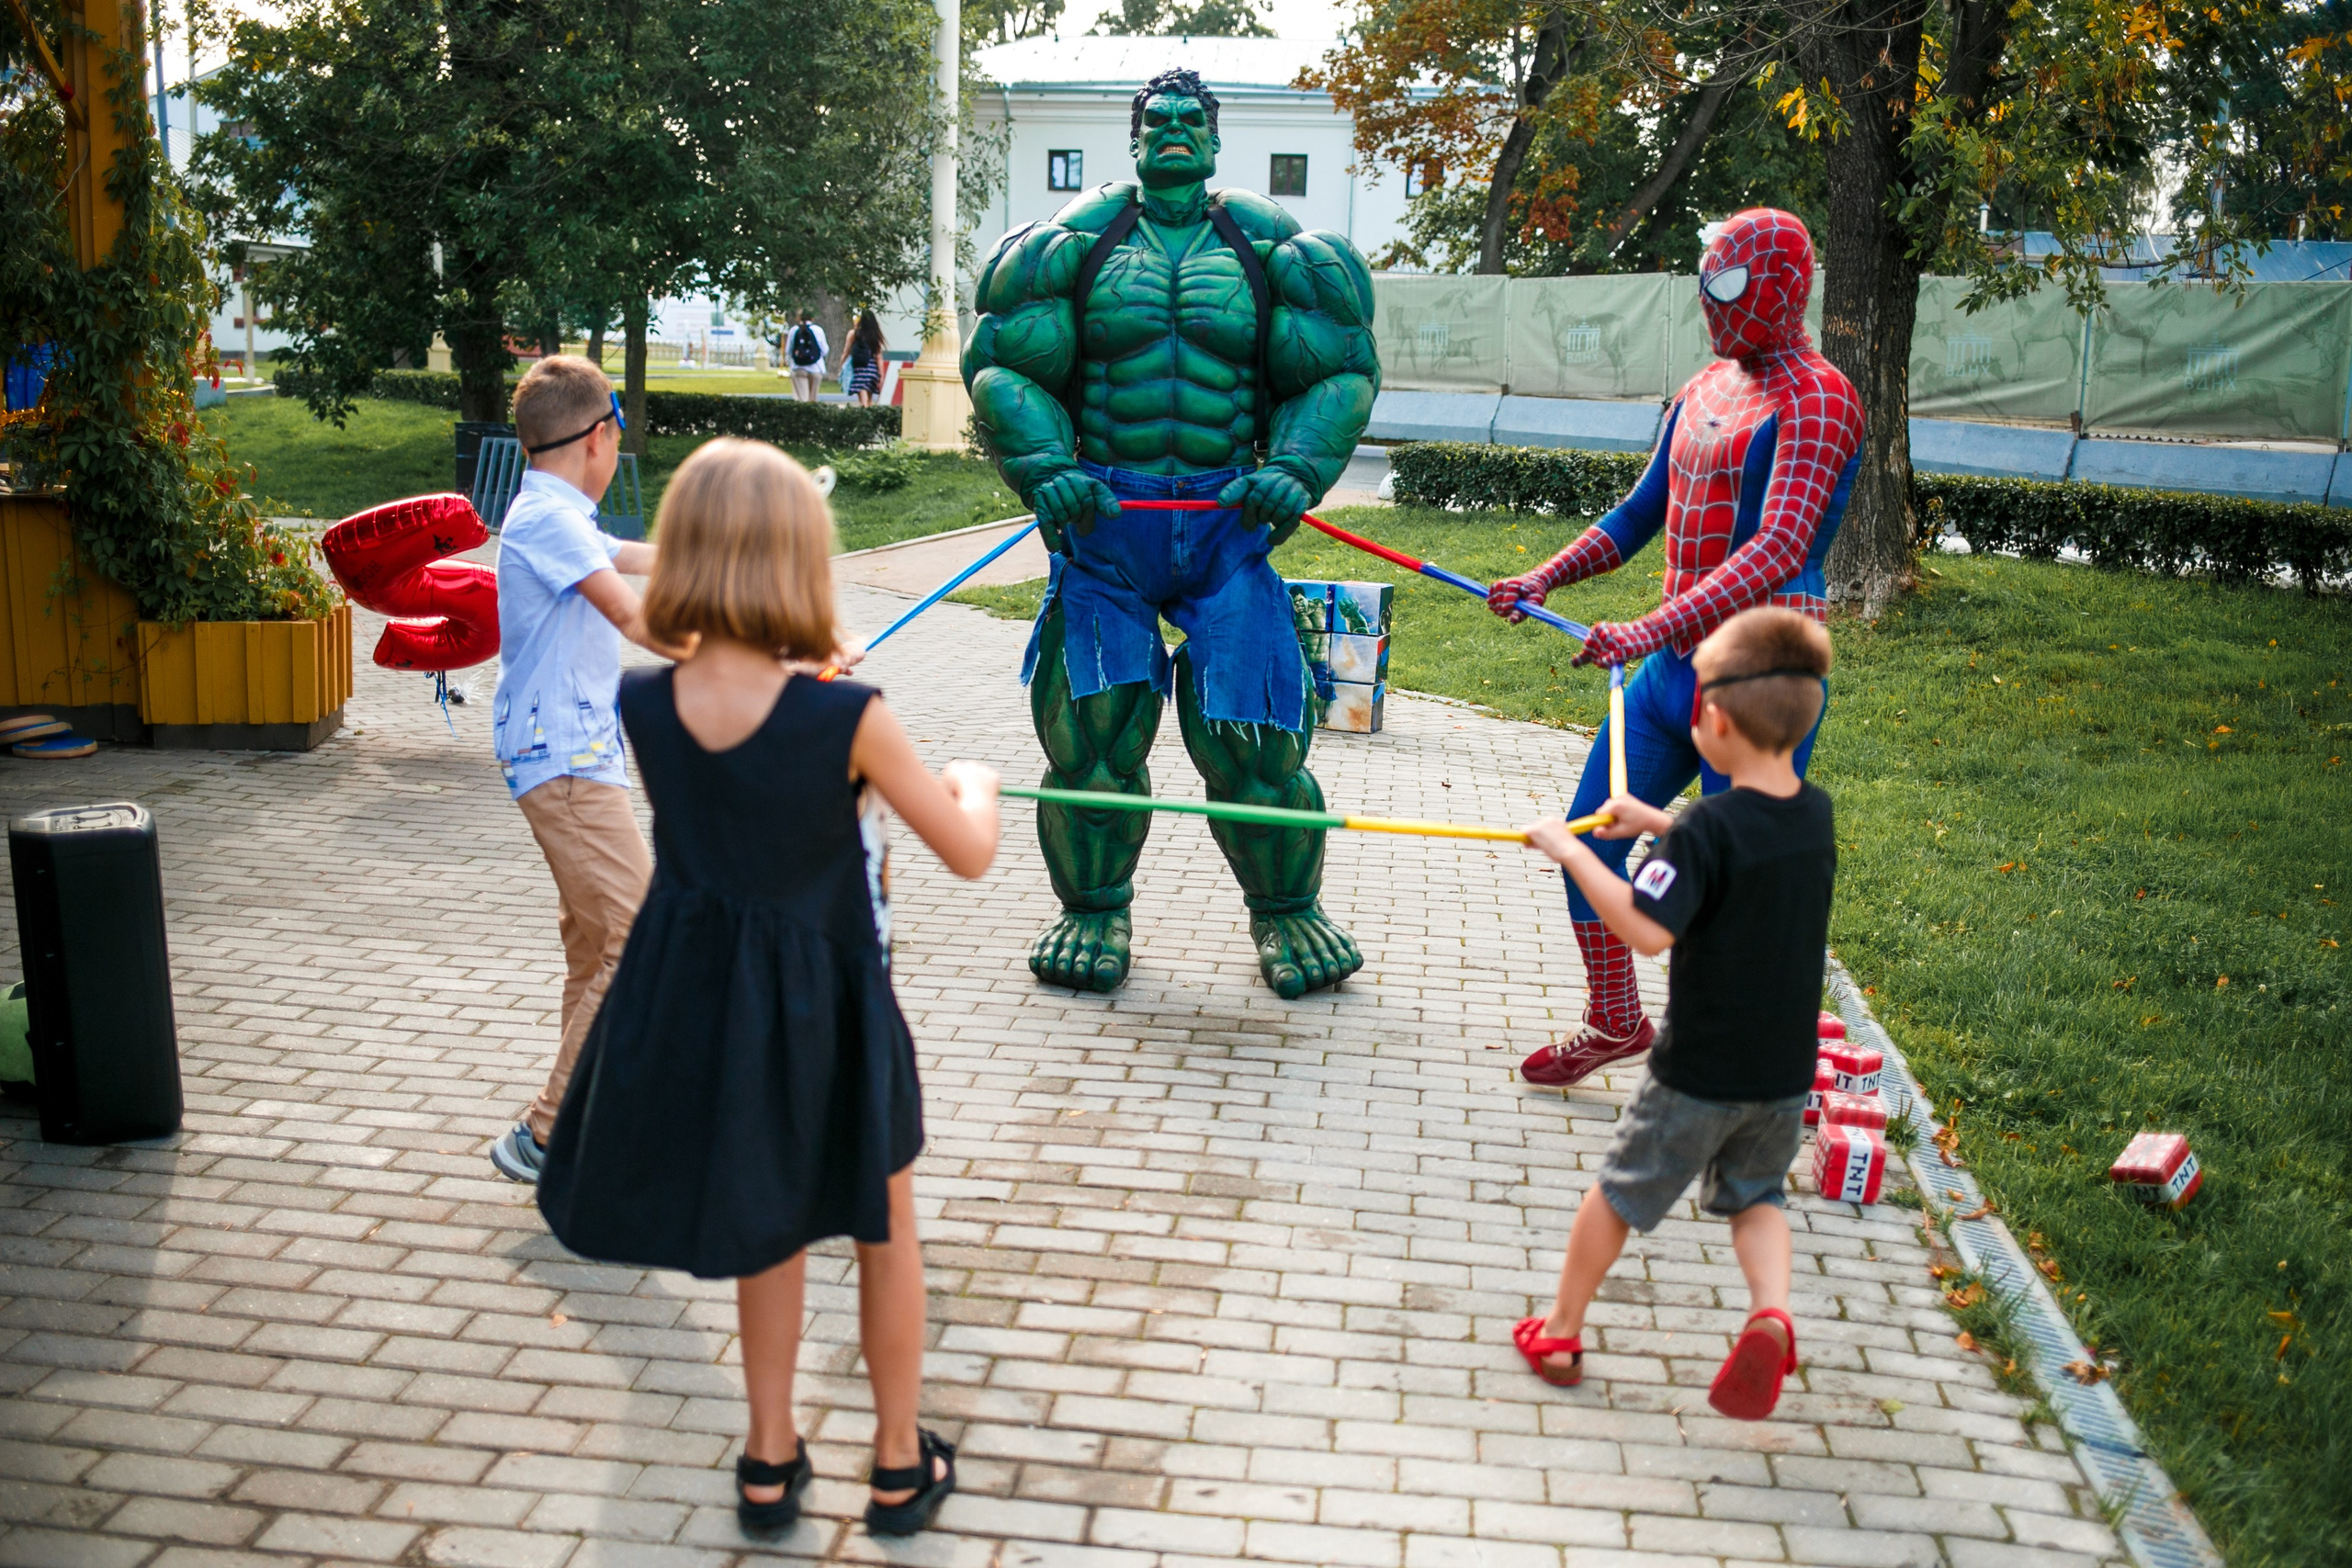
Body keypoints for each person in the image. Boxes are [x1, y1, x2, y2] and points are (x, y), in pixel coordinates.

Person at [535, 438, 1001, 1539]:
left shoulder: (647, 703)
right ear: (800, 562)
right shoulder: (851, 717)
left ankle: (767, 1457)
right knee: (884, 1227)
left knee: (769, 1223)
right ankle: (898, 1465)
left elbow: (739, 752)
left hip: (711, 1009)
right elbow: (966, 851)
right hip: (833, 1008)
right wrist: (970, 781)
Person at [1484, 209, 1860, 1089]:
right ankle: (1617, 1019)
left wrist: (1650, 627)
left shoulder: (1820, 397)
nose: (1709, 302)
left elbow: (1778, 547)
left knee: (1738, 889)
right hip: (1670, 675)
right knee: (1589, 839)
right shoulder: (1708, 387)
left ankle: (1748, 1067)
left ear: (1780, 286)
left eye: (1727, 284)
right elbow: (1640, 510)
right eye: (1704, 282)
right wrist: (1545, 576)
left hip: (1759, 680)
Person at [1512, 606, 1836, 1422]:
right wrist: (1659, 823)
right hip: (1783, 1074)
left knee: (1618, 1193)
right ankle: (1771, 1313)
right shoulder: (1813, 815)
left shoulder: (1706, 834)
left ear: (1713, 720)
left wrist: (1574, 848)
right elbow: (1735, 849)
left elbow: (1646, 928)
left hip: (1699, 1072)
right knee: (1757, 1197)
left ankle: (1559, 1332)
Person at [486, 355, 675, 1185]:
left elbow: (631, 555)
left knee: (597, 945)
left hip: (574, 758)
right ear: (601, 437)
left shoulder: (553, 513)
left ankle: (581, 1121)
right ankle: (547, 1132)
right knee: (640, 935)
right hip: (562, 762)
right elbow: (634, 617)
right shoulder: (548, 521)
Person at [784, 310, 829, 401]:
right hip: (816, 368)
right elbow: (825, 350)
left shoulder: (794, 330)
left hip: (799, 368)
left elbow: (788, 350)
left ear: (798, 317)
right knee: (813, 399)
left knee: (802, 399)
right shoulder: (818, 330)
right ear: (812, 318)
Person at [843, 310, 885, 407]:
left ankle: (865, 411)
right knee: (869, 399)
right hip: (872, 369)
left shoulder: (854, 334)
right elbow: (879, 357)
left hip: (859, 369)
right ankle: (868, 411)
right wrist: (881, 375)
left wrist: (842, 364)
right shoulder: (875, 335)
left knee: (862, 397)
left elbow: (846, 352)